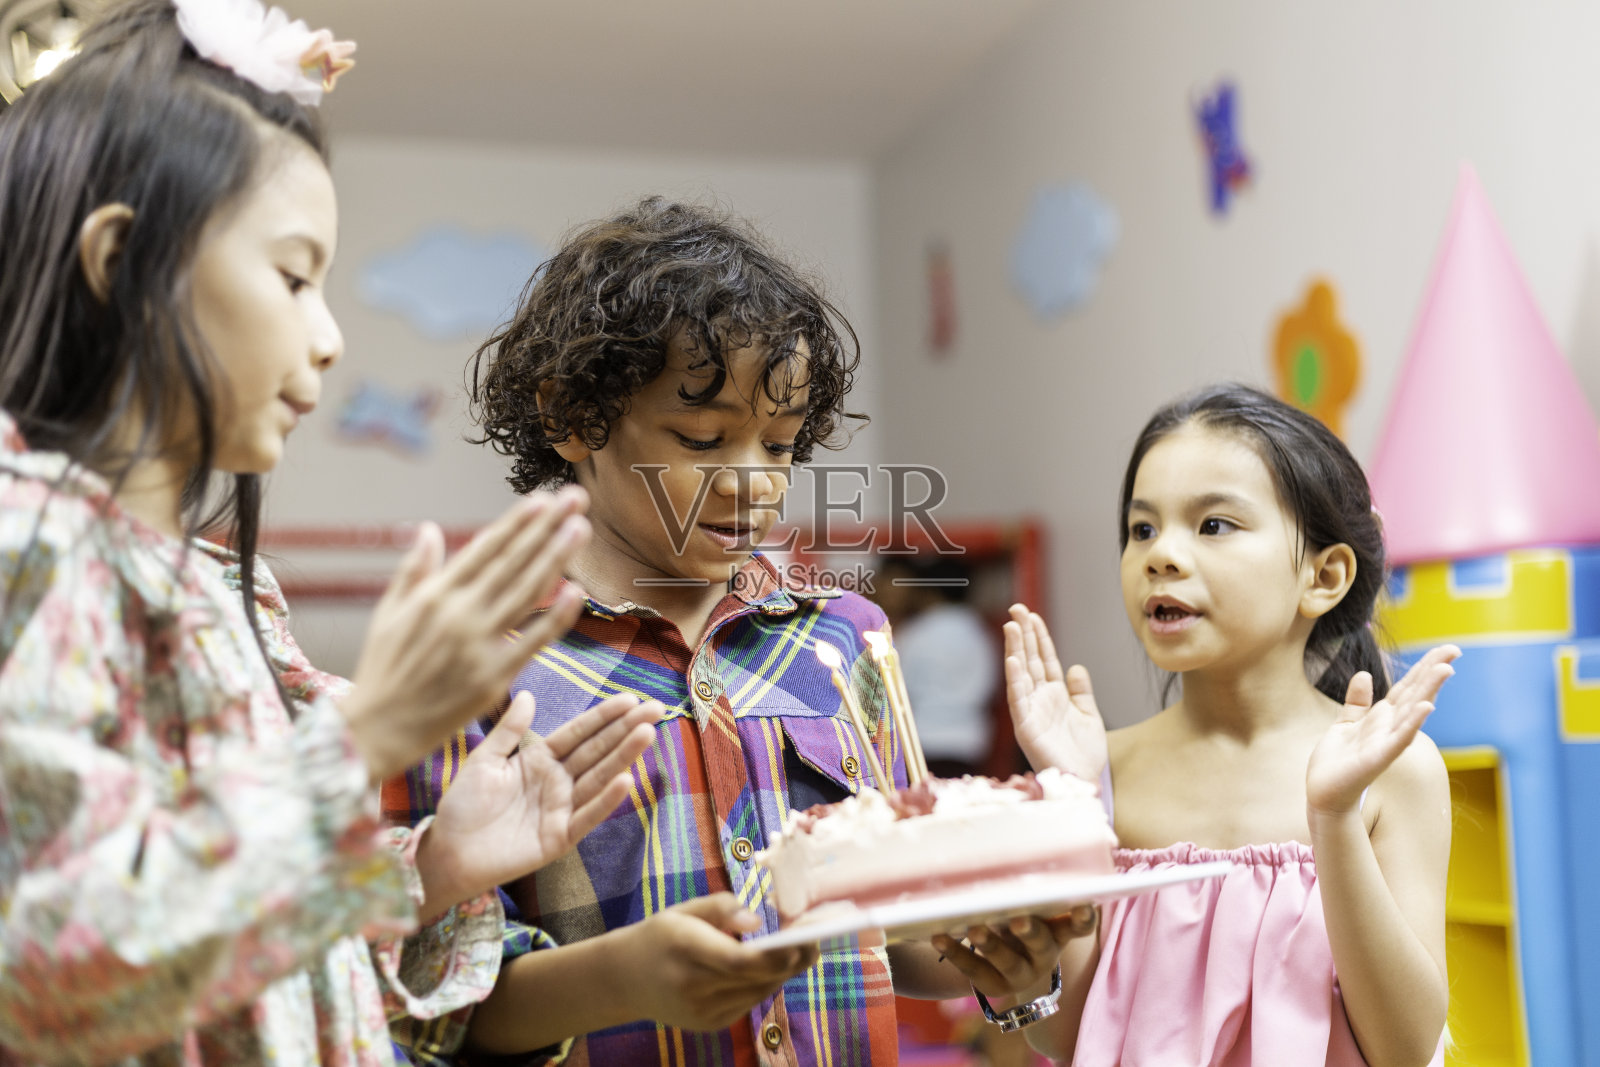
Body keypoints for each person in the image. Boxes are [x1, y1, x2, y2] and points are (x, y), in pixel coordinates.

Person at [0, 2, 660, 1062]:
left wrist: (438, 866)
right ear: (120, 260)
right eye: (294, 276)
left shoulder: (225, 588)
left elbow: (241, 962)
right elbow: (49, 977)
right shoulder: (25, 546)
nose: (330, 334)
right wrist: (371, 735)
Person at [386, 198, 1091, 1064]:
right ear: (573, 419)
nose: (753, 482)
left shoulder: (845, 638)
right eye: (702, 438)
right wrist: (621, 979)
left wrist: (1006, 956)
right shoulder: (474, 666)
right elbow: (430, 1002)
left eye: (782, 445)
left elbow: (899, 928)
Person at [947, 384, 1454, 1066]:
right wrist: (1068, 789)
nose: (1161, 554)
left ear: (1324, 575)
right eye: (1142, 528)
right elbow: (1067, 1034)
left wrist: (1333, 816)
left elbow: (1405, 1047)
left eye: (1213, 524)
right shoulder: (1104, 771)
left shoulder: (1394, 772)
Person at [878, 555, 998, 778]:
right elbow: (989, 685)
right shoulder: (981, 634)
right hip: (970, 741)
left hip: (923, 739)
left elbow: (894, 686)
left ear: (928, 592)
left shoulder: (915, 634)